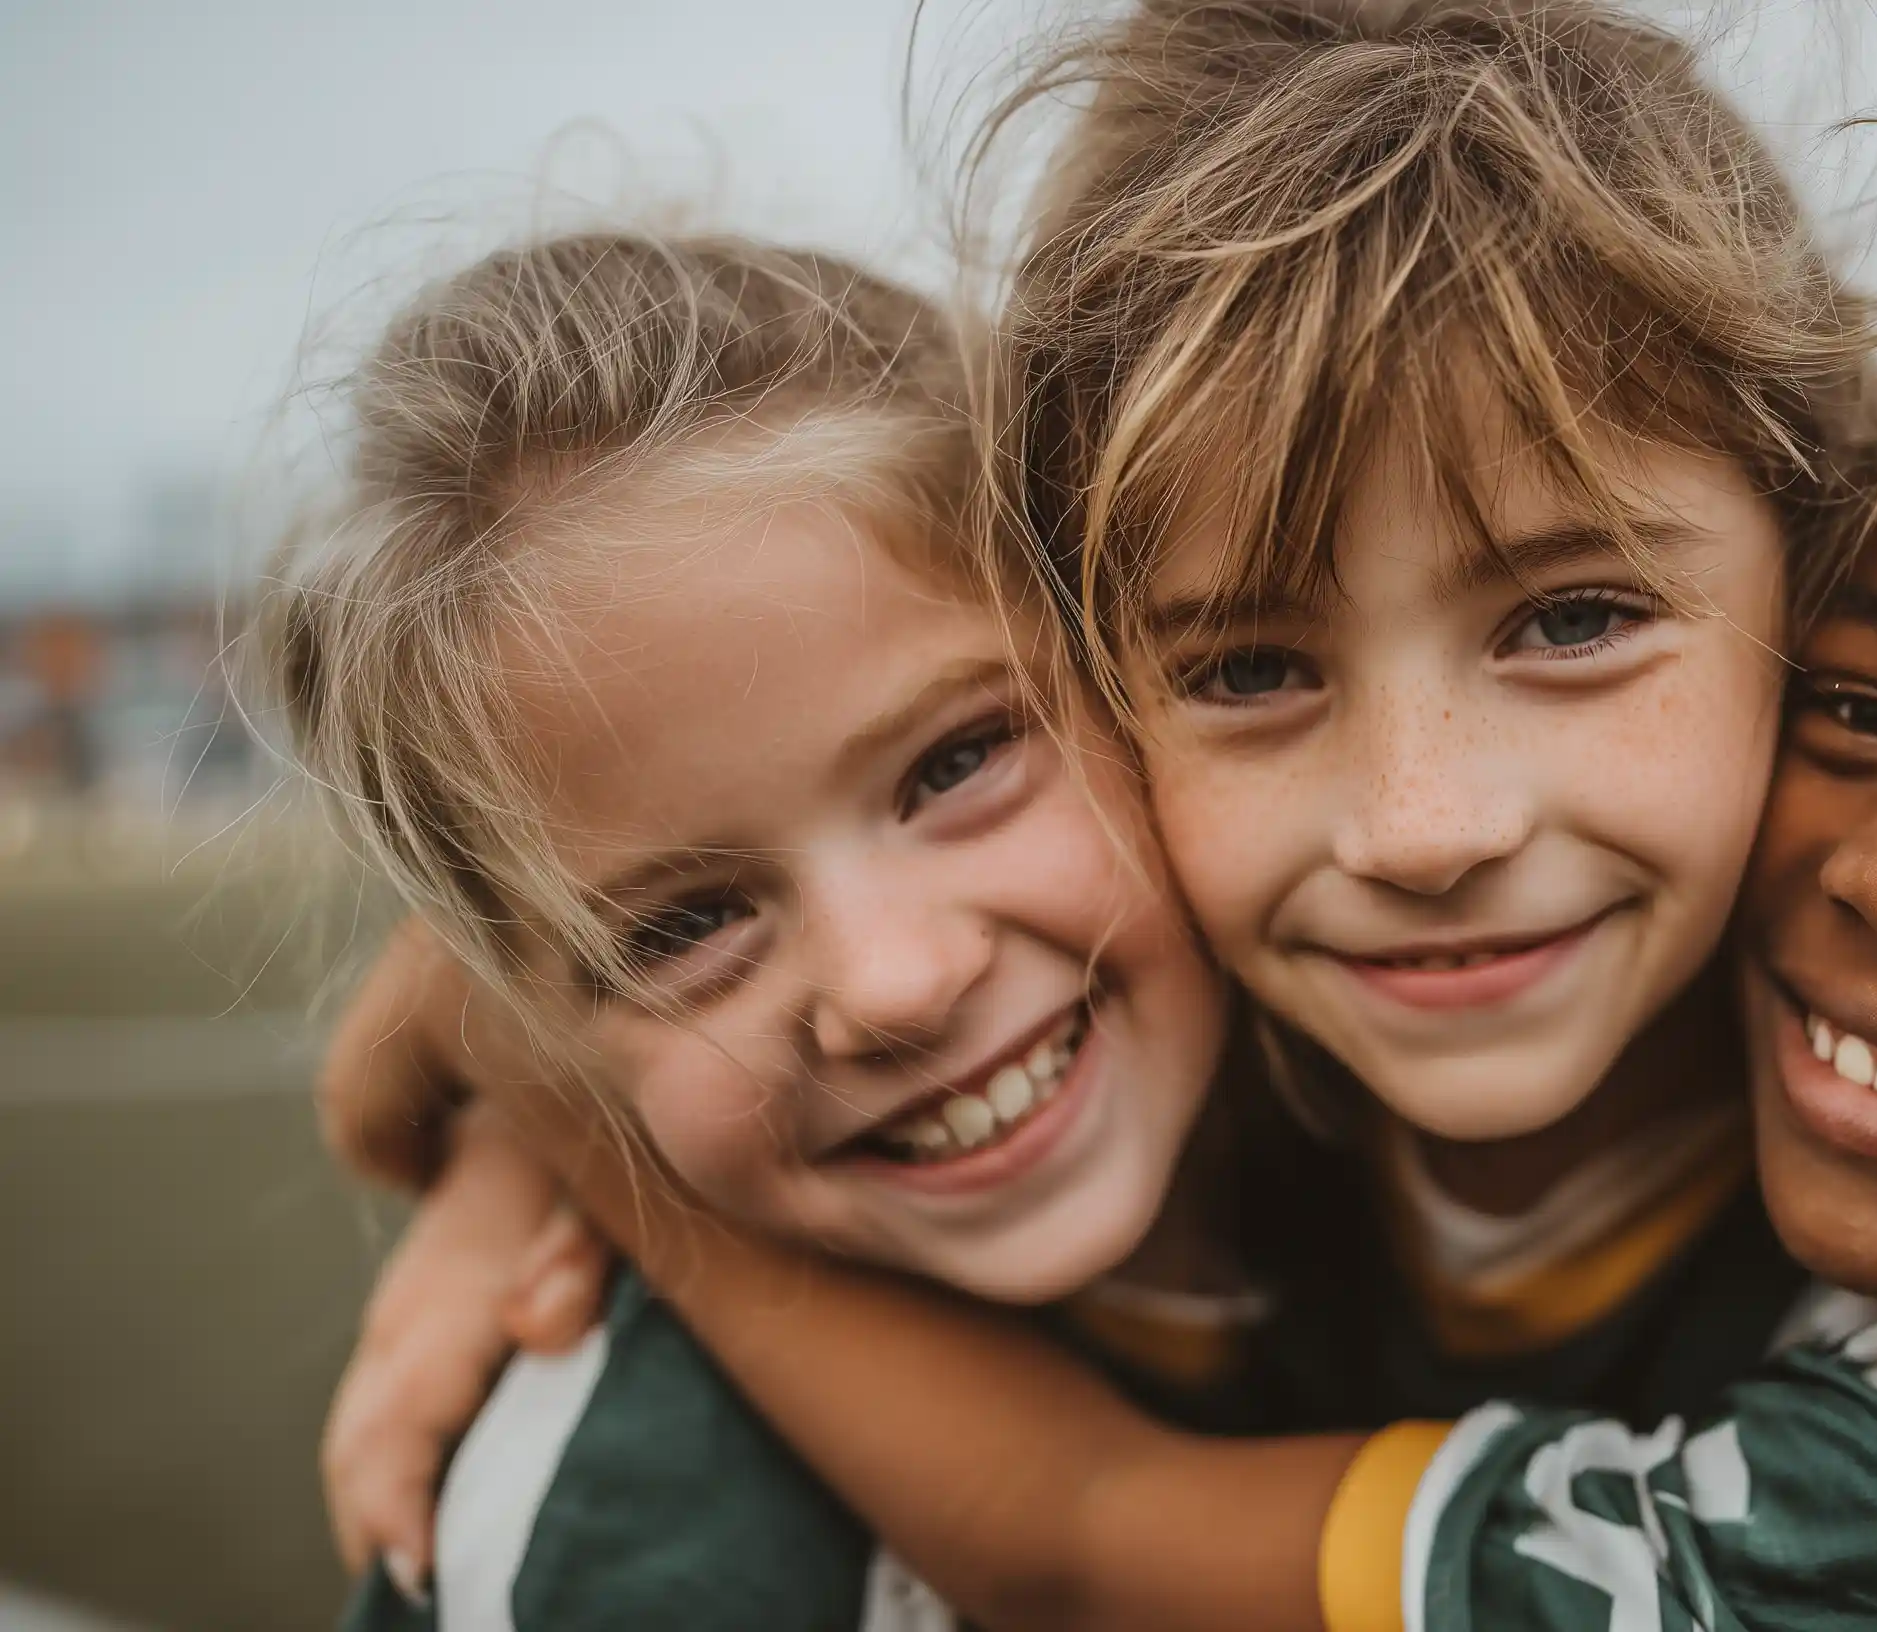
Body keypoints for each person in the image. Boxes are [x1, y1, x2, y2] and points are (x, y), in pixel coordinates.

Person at [317, 5, 1877, 1626]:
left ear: (1816, 584)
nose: (1431, 821)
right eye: (1242, 669)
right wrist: (546, 1048)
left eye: (1573, 621)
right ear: (1105, 664)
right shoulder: (1220, 1025)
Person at [258, 230, 1253, 1628]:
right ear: (543, 1021)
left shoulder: (1477, 1013)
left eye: (956, 764)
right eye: (683, 927)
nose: (893, 985)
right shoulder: (611, 1535)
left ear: (1118, 643)